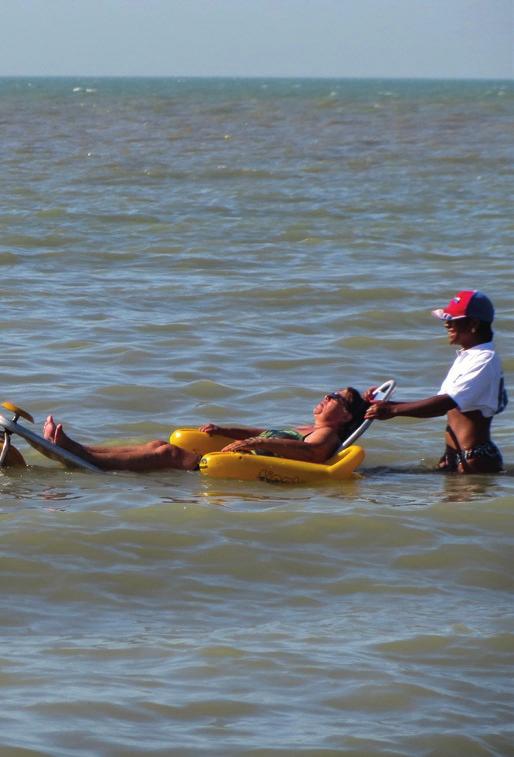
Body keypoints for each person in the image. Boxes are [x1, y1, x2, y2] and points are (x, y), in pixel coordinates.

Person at [39, 386, 368, 472]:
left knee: (166, 453)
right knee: (157, 443)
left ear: (343, 417)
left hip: (234, 468)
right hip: (237, 456)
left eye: (338, 397)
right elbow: (264, 430)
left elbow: (311, 454)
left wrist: (247, 443)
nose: (327, 396)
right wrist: (228, 429)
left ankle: (79, 454)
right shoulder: (308, 426)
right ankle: (78, 450)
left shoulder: (326, 435)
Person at [365, 290, 508, 474]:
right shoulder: (469, 357)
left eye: (452, 319)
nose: (446, 324)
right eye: (445, 319)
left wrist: (392, 409)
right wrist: (382, 402)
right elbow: (442, 407)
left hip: (475, 460)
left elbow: (444, 404)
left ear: (473, 323)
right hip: (460, 459)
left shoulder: (484, 359)